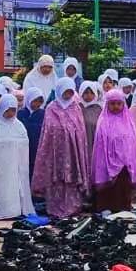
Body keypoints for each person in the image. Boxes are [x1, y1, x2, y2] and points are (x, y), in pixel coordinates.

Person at [31, 85, 90, 218]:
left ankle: (73, 207)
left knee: (72, 178)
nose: (68, 94)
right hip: (54, 151)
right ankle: (54, 208)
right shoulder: (51, 108)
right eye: (66, 91)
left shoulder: (76, 108)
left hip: (73, 150)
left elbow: (80, 130)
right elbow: (47, 131)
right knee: (55, 178)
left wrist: (69, 133)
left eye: (70, 91)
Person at [0, 99, 36, 221]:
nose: (11, 113)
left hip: (15, 165)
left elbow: (24, 142)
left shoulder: (19, 125)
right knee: (1, 187)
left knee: (14, 187)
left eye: (13, 110)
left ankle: (14, 211)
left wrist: (13, 144)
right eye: (8, 110)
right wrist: (9, 144)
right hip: (1, 165)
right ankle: (1, 211)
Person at [92, 89, 136, 211]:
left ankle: (123, 209)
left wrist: (127, 159)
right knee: (109, 191)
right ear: (107, 104)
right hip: (107, 161)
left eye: (119, 103)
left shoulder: (128, 121)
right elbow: (100, 146)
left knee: (123, 188)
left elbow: (133, 144)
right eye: (112, 103)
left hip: (125, 164)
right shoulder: (103, 121)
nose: (116, 106)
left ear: (123, 104)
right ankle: (105, 209)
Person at [18, 90, 47, 175]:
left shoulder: (43, 113)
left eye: (40, 101)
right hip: (24, 147)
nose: (37, 104)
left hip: (38, 147)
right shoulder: (21, 113)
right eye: (34, 101)